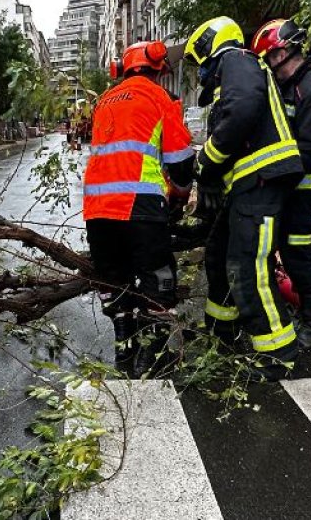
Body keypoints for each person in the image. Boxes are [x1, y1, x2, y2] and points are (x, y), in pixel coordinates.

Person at [186, 16, 304, 379]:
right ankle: (222, 333)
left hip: (263, 182)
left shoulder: (237, 60)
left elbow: (240, 116)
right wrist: (210, 184)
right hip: (247, 187)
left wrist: (206, 159)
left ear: (210, 46)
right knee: (220, 258)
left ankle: (277, 353)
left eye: (200, 60)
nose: (200, 70)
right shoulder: (233, 71)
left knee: (248, 268)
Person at [83, 40, 194, 376]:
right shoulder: (160, 98)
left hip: (97, 207)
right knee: (157, 278)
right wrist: (180, 193)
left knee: (113, 280)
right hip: (140, 205)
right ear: (159, 69)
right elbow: (180, 160)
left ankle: (124, 348)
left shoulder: (104, 100)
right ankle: (151, 359)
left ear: (123, 68)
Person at [251, 19, 311, 351]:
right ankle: (282, 308)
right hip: (283, 185)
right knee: (268, 246)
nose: (271, 67)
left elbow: (306, 151)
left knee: (296, 251)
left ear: (286, 51)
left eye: (271, 58)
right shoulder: (287, 87)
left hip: (303, 189)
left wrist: (266, 177)